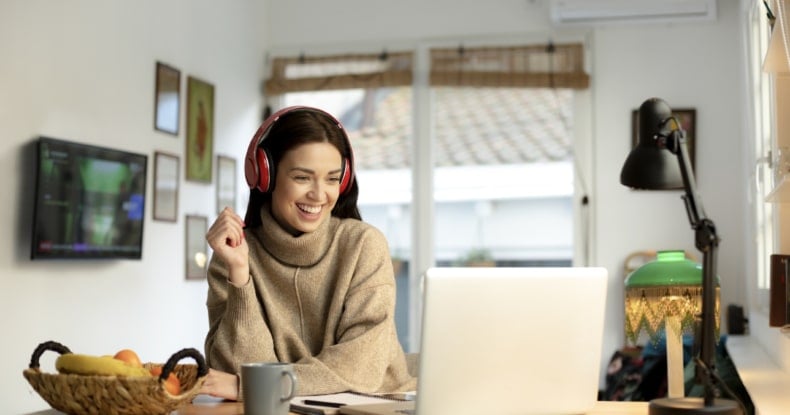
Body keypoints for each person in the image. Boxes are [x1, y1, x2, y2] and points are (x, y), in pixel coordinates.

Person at [199, 106, 416, 400]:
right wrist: (240, 276)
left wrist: (257, 385)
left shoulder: (364, 245)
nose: (319, 194)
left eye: (331, 179)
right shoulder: (233, 253)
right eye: (303, 177)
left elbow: (359, 366)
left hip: (374, 405)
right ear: (266, 175)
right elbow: (234, 369)